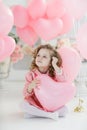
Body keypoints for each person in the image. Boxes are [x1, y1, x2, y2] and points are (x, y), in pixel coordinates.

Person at [22, 44, 68, 120]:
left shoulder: (53, 74)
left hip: (51, 102)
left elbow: (63, 81)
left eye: (44, 56)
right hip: (36, 103)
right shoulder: (31, 75)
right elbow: (25, 93)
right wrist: (31, 86)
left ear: (51, 62)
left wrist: (55, 66)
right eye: (38, 55)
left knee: (65, 110)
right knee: (23, 105)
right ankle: (48, 115)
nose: (40, 58)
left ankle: (38, 114)